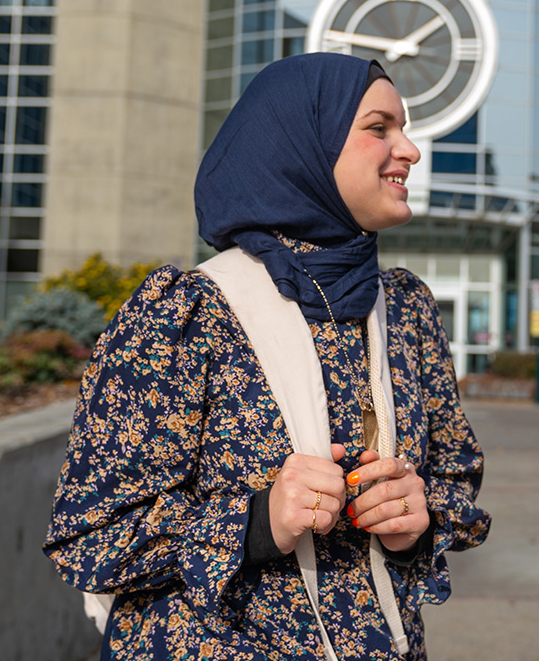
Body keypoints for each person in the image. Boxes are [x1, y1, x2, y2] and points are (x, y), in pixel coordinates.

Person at [45, 53, 490, 660]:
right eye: (379, 127)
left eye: (403, 129)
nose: (409, 149)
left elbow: (453, 475)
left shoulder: (404, 308)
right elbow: (90, 533)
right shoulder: (189, 315)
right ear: (303, 143)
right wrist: (257, 522)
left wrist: (419, 518)